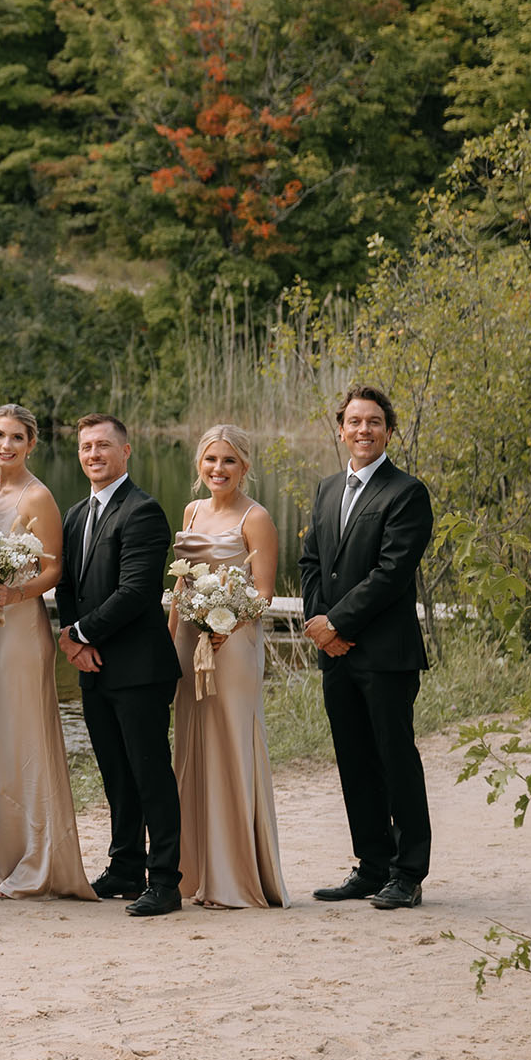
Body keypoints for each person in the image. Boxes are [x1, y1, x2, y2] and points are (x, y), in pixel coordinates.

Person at [300, 384, 435, 910]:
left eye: (374, 422)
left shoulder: (406, 493)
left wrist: (337, 622)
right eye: (354, 421)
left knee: (395, 758)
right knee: (354, 759)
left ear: (388, 431)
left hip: (384, 653)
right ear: (340, 429)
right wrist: (318, 624)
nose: (363, 430)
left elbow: (391, 574)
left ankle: (408, 872)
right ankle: (372, 863)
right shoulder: (327, 488)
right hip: (335, 652)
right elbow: (312, 561)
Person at [57, 413, 185, 916]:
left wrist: (82, 634)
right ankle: (126, 866)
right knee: (116, 773)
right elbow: (66, 585)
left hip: (139, 670)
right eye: (87, 447)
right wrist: (73, 640)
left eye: (104, 446)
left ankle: (166, 880)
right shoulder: (74, 514)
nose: (94, 455)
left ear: (125, 452)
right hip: (93, 667)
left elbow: (136, 592)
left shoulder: (144, 512)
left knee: (150, 774)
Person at [0, 404, 95, 901]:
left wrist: (17, 594)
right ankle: (0, 857)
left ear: (31, 443)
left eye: (17, 438)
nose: (6, 445)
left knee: (25, 740)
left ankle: (37, 860)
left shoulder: (38, 496)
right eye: (0, 436)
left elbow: (54, 570)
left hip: (23, 628)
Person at [172, 423, 286, 909]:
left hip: (232, 644)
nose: (219, 469)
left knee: (229, 745)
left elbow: (263, 594)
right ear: (200, 464)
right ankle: (191, 873)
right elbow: (179, 583)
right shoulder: (192, 511)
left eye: (229, 461)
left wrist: (228, 623)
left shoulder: (255, 518)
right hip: (188, 638)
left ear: (244, 466)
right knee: (191, 749)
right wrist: (170, 637)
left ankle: (233, 878)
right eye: (211, 460)